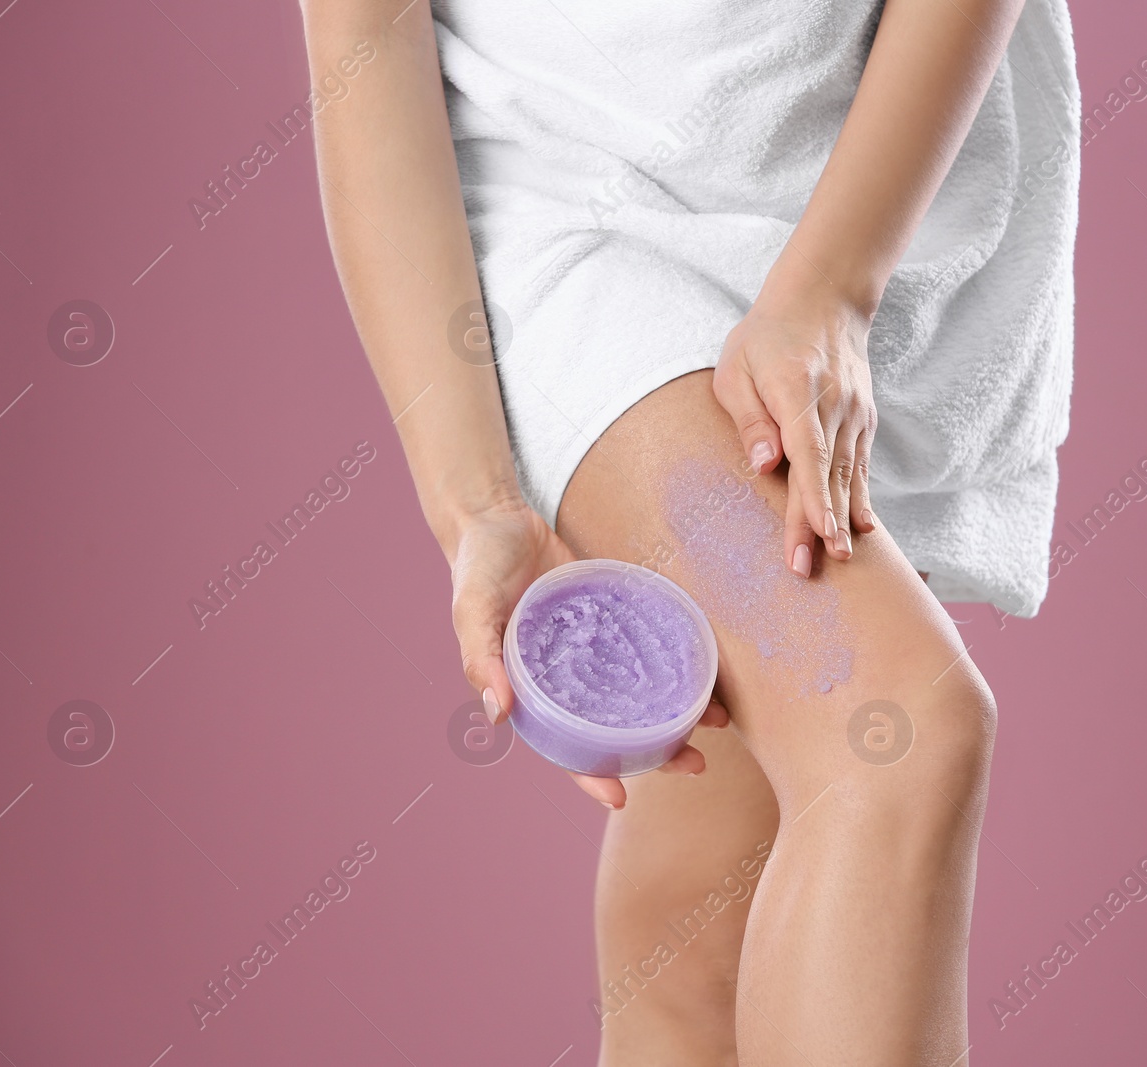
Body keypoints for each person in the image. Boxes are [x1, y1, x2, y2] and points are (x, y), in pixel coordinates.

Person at [300, 0, 1078, 1061]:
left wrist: (833, 286)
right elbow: (364, 36)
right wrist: (477, 503)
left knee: (710, 888)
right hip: (574, 215)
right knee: (892, 736)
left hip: (861, 179)